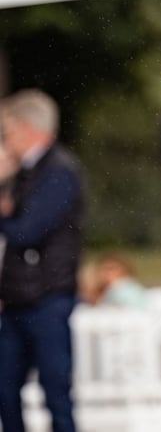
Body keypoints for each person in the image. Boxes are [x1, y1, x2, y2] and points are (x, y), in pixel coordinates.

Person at [0, 89, 85, 432]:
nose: (5, 141)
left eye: (7, 132)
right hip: (16, 300)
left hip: (48, 298)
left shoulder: (59, 171)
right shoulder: (23, 173)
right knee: (5, 389)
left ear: (26, 128)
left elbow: (27, 231)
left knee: (55, 390)